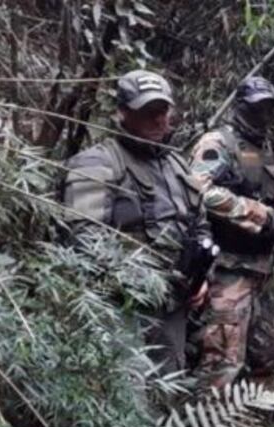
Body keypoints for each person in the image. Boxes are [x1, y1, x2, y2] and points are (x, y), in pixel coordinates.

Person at [62, 70, 210, 373]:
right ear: (123, 113)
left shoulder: (176, 164)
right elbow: (83, 239)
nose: (158, 120)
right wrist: (142, 280)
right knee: (131, 398)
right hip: (122, 310)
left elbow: (200, 222)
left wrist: (201, 276)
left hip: (174, 308)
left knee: (169, 395)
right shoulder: (97, 163)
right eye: (148, 112)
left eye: (163, 111)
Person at [189, 76, 274, 389]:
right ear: (240, 107)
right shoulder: (217, 144)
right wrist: (253, 213)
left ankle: (258, 419)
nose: (263, 116)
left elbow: (269, 199)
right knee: (222, 356)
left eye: (269, 108)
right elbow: (198, 190)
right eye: (257, 108)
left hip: (262, 264)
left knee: (269, 350)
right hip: (229, 267)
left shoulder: (264, 146)